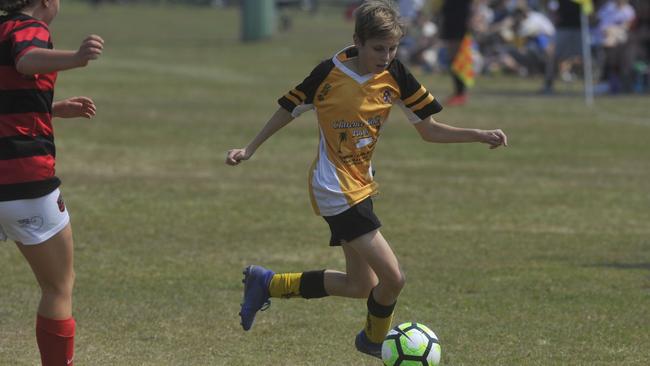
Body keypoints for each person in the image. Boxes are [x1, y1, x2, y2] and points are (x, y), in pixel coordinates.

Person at [225, 0, 507, 360]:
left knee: (362, 285)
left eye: (392, 48)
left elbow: (429, 130)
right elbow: (288, 109)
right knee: (394, 280)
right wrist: (250, 148)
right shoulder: (329, 73)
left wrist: (479, 134)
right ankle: (374, 342)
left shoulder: (396, 75)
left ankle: (267, 284)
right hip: (335, 188)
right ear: (357, 40)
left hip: (362, 183)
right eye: (378, 48)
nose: (386, 56)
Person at [0, 0, 104, 364]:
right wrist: (76, 57)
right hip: (23, 181)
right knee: (58, 287)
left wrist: (51, 108)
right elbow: (26, 59)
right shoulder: (30, 28)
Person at [542, 0, 583, 93]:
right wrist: (553, 15)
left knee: (581, 58)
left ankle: (585, 85)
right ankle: (548, 84)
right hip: (563, 28)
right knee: (553, 55)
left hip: (580, 28)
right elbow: (547, 3)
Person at [439, 0, 472, 106]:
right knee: (452, 56)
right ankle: (458, 93)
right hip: (450, 13)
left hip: (459, 15)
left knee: (457, 56)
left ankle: (461, 93)